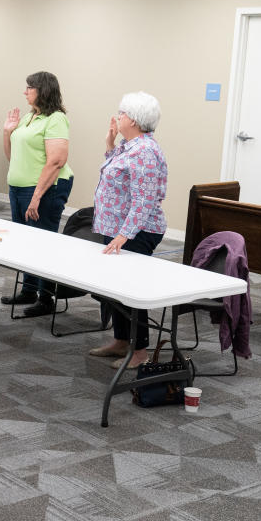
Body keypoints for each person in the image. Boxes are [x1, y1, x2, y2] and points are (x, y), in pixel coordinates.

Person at [88, 92, 168, 370]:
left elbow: (144, 199)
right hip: (119, 228)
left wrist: (125, 235)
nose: (117, 116)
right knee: (117, 287)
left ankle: (140, 351)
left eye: (121, 113)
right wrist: (110, 143)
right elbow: (116, 172)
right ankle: (122, 340)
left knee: (132, 290)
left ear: (132, 119)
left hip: (137, 231)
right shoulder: (129, 145)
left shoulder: (145, 151)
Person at [0, 70, 75, 317]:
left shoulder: (56, 119)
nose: (25, 92)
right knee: (25, 241)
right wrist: (7, 132)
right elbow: (14, 157)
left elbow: (56, 161)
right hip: (19, 187)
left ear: (42, 90)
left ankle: (47, 298)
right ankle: (29, 290)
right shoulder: (29, 116)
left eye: (29, 88)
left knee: (43, 242)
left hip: (44, 189)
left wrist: (36, 197)